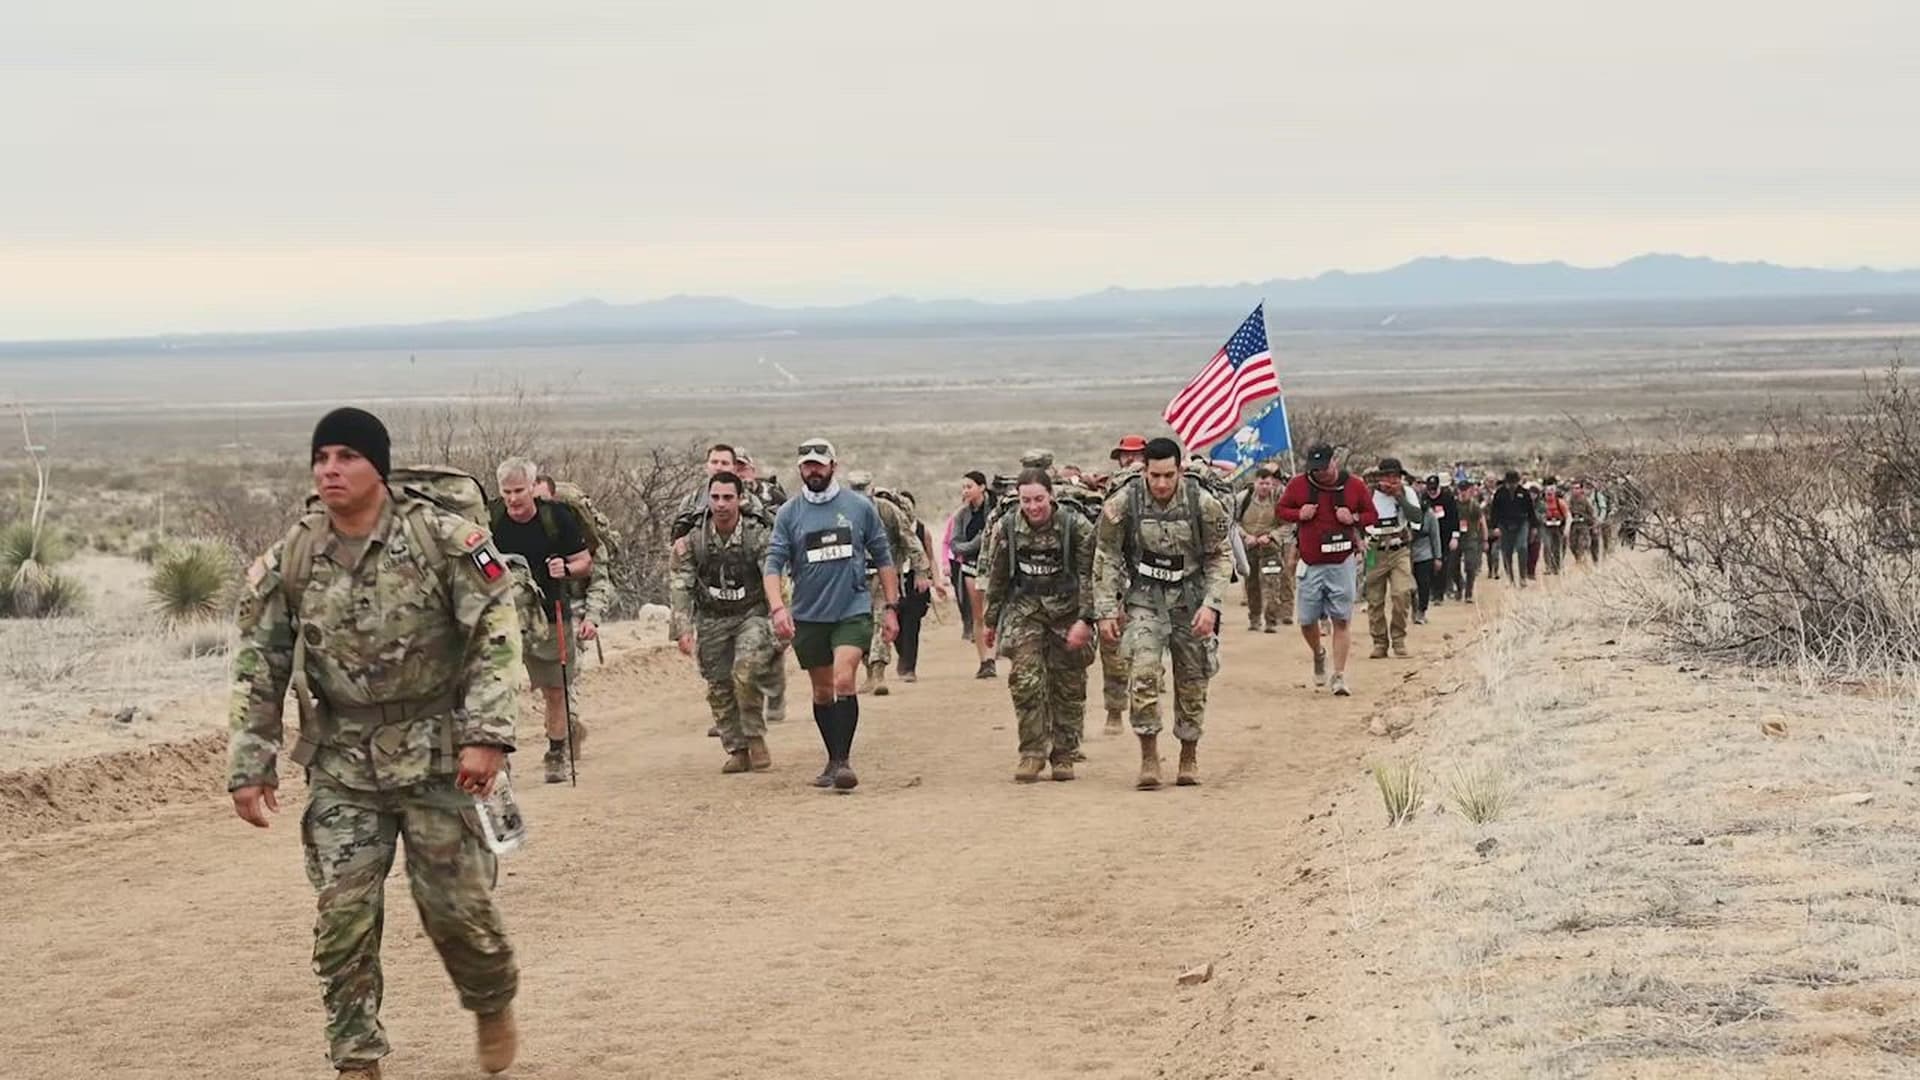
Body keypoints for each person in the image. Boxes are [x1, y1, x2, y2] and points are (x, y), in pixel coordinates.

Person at [228, 407, 521, 1078]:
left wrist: (489, 737)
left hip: (442, 756)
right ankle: (357, 1057)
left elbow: (496, 638)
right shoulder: (292, 557)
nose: (330, 469)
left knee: (458, 913)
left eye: (346, 456)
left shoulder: (446, 541)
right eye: (321, 457)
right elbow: (259, 664)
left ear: (378, 468)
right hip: (343, 763)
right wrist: (251, 763)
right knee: (344, 920)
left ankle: (491, 998)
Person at [1093, 437, 1231, 790]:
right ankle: (1149, 756)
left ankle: (1188, 753)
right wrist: (1106, 609)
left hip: (1190, 599)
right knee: (1142, 674)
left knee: (1193, 680)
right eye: (1155, 476)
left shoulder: (1203, 503)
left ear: (1180, 470)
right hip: (1145, 599)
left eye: (1169, 475)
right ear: (1144, 472)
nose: (1162, 484)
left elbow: (1219, 557)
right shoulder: (1125, 502)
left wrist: (1211, 604)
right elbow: (1106, 556)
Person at [763, 438, 900, 791]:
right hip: (809, 615)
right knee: (823, 692)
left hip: (852, 610)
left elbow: (883, 556)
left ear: (833, 466)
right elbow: (773, 564)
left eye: (819, 464)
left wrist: (890, 607)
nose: (814, 471)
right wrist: (778, 608)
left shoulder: (858, 507)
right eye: (807, 465)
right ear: (800, 470)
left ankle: (843, 761)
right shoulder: (789, 514)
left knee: (843, 680)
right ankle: (832, 757)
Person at [981, 468, 1097, 782]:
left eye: (1039, 499)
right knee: (1025, 682)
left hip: (1068, 613)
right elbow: (998, 576)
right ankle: (1031, 752)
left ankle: (1063, 753)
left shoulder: (1078, 528)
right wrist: (990, 620)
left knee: (1068, 687)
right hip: (1025, 611)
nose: (1033, 507)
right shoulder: (1007, 527)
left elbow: (1090, 577)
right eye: (1026, 500)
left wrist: (1086, 620)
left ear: (1051, 496)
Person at [491, 457, 593, 783]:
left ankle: (556, 752)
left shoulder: (556, 518)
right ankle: (500, 757)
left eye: (519, 490)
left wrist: (565, 568)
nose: (512, 499)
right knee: (497, 689)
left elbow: (584, 562)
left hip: (550, 616)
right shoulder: (490, 518)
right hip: (503, 618)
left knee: (555, 689)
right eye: (506, 491)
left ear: (533, 488)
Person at [670, 471, 779, 774]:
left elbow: (773, 575)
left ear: (740, 499)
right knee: (718, 685)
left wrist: (781, 614)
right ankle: (737, 748)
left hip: (751, 614)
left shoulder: (756, 534)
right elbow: (681, 583)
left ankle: (755, 737)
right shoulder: (695, 539)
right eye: (715, 497)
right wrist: (683, 628)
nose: (721, 504)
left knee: (745, 672)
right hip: (712, 617)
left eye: (728, 497)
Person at [1278, 444, 1377, 696]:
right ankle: (1318, 653)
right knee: (1307, 620)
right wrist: (1299, 513)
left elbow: (1371, 515)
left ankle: (1340, 676)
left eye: (1324, 468)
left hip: (1342, 562)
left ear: (1335, 462)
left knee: (1341, 619)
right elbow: (1281, 510)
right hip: (1311, 563)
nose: (1320, 474)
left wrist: (1353, 518)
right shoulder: (1299, 485)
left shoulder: (1354, 485)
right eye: (1315, 470)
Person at [847, 470, 933, 696]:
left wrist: (922, 571)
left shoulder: (887, 511)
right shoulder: (841, 512)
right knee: (860, 625)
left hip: (884, 576)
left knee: (881, 620)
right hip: (853, 579)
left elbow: (910, 540)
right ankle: (868, 671)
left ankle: (878, 674)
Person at [1098, 434, 1150, 732]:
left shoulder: (1159, 486)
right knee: (1113, 646)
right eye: (1125, 455)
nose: (1129, 459)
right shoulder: (1111, 489)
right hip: (1120, 576)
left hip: (1154, 580)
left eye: (1135, 454)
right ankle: (1115, 709)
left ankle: (1145, 704)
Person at [1363, 459, 1422, 657]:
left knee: (1402, 593)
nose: (1392, 480)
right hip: (1374, 549)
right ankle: (1379, 642)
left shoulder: (1407, 492)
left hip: (1399, 548)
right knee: (1374, 598)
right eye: (1388, 476)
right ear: (1379, 477)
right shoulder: (1368, 493)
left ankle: (1398, 638)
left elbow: (1416, 517)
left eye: (1396, 476)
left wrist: (1399, 497)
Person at [1234, 467, 1293, 631]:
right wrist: (1246, 536)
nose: (1265, 487)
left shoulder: (1279, 500)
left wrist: (1272, 535)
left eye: (1268, 483)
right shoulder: (1242, 499)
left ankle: (1271, 621)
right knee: (1251, 585)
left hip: (1270, 548)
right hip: (1249, 547)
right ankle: (1254, 618)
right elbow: (1233, 522)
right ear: (1255, 483)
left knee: (1272, 584)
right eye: (1262, 483)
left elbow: (1288, 525)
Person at [949, 470, 993, 672]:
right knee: (978, 615)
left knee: (994, 611)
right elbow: (956, 545)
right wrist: (977, 542)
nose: (965, 491)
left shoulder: (995, 510)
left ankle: (995, 652)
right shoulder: (961, 515)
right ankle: (985, 660)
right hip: (971, 567)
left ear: (982, 487)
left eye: (969, 486)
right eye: (964, 487)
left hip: (994, 568)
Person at [893, 490, 938, 682]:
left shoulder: (921, 530)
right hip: (894, 579)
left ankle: (909, 667)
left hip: (916, 581)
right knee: (896, 624)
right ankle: (903, 657)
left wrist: (935, 580)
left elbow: (931, 557)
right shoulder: (890, 529)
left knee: (912, 624)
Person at [1490, 471, 1534, 587]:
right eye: (1509, 483)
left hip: (1521, 523)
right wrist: (1494, 527)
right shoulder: (1499, 493)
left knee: (1522, 547)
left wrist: (1533, 527)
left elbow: (1531, 511)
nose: (1512, 485)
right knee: (1506, 551)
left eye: (1514, 483)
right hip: (1504, 525)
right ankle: (1510, 578)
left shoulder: (1524, 493)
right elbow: (1494, 512)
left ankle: (1523, 577)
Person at [1409, 476, 1443, 626]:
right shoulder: (1406, 515)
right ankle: (1414, 608)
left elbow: (1435, 537)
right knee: (1409, 586)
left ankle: (1421, 610)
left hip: (1425, 554)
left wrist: (1438, 557)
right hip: (1408, 554)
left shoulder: (1429, 515)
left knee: (1424, 584)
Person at [1456, 480, 1486, 603]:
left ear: (1470, 491)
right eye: (1461, 490)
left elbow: (1482, 522)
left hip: (1471, 538)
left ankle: (1468, 593)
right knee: (1452, 566)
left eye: (1466, 490)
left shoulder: (1474, 506)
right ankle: (1459, 585)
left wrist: (1485, 539)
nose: (1463, 493)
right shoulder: (1454, 504)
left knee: (1470, 566)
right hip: (1456, 537)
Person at [1540, 477, 1570, 575]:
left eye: (1552, 491)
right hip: (1546, 527)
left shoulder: (1560, 502)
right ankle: (1548, 567)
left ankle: (1557, 567)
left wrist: (1567, 529)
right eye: (1548, 491)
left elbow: (1568, 516)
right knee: (1547, 545)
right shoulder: (1542, 503)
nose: (1549, 493)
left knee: (1558, 547)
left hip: (1559, 526)